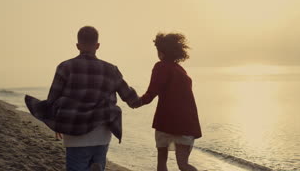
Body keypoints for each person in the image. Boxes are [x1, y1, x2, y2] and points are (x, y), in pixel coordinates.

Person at [25, 26, 140, 171]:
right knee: (98, 163)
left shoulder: (65, 67)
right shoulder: (111, 70)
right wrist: (152, 95)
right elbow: (132, 100)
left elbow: (52, 99)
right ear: (97, 46)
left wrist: (55, 122)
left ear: (78, 46)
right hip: (102, 132)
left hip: (74, 129)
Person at [135, 33, 202, 171]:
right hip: (186, 123)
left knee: (162, 162)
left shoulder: (161, 66)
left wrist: (136, 102)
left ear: (162, 52)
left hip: (165, 122)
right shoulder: (182, 71)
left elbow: (151, 93)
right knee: (183, 164)